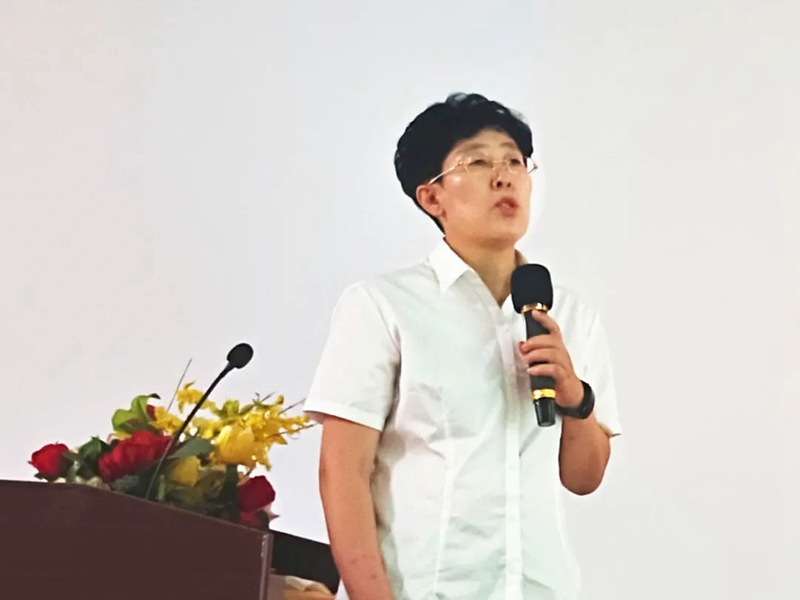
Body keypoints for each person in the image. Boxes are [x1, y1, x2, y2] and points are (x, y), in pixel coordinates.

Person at [303, 93, 622, 600]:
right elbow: (342, 473)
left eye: (514, 161)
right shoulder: (383, 305)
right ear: (432, 198)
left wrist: (576, 398)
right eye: (477, 162)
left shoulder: (570, 313)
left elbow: (584, 478)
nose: (504, 177)